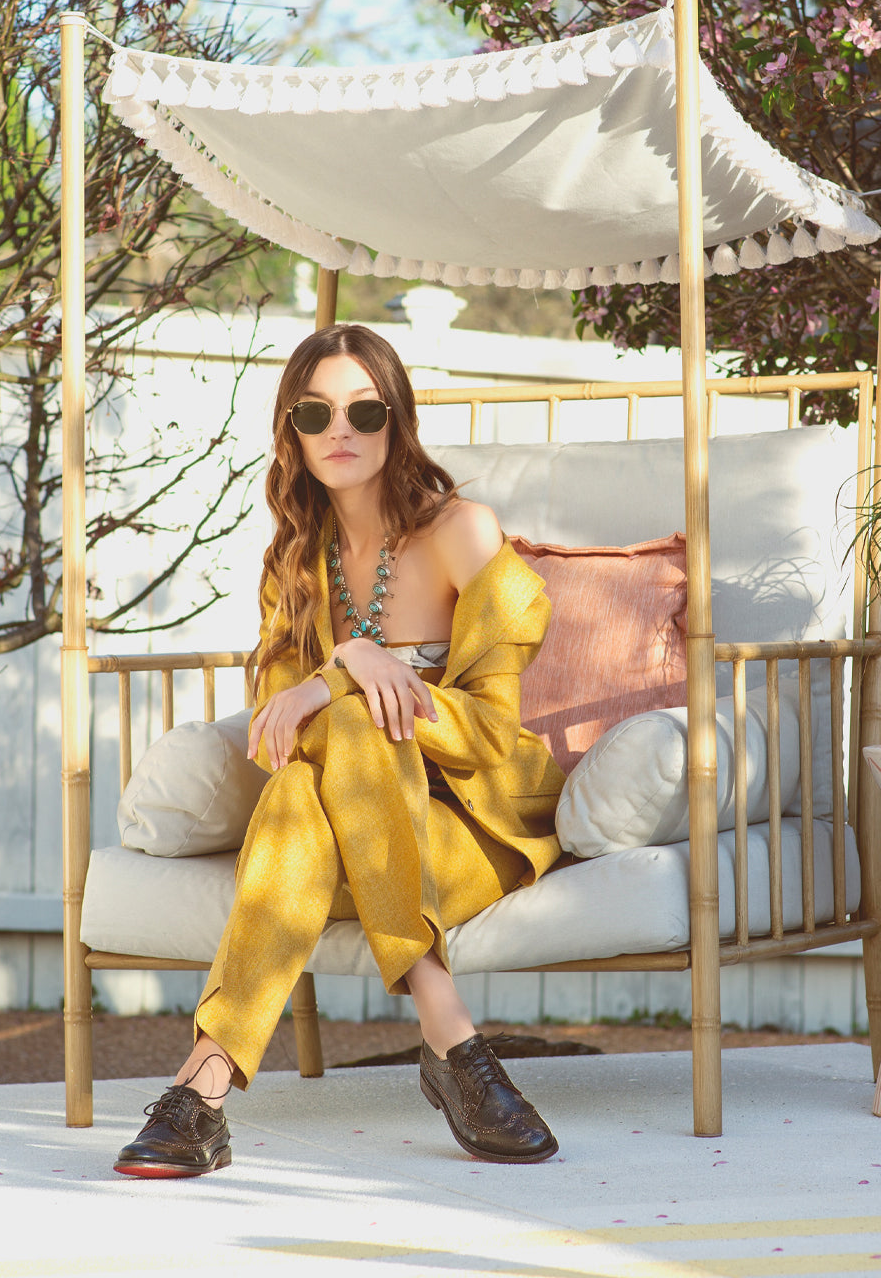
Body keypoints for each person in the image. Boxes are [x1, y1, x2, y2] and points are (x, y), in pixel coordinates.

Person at [114, 322, 565, 1178]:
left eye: (364, 409)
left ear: (398, 420)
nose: (340, 431)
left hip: (473, 825)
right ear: (292, 430)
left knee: (348, 729)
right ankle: (443, 1040)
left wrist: (348, 674)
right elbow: (283, 735)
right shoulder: (294, 561)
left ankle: (205, 1095)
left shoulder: (463, 532)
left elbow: (492, 734)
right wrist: (349, 664)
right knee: (293, 795)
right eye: (315, 413)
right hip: (356, 837)